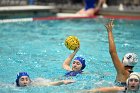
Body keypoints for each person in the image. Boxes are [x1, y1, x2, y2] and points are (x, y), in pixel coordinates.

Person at [105, 19, 138, 87]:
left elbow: (112, 52)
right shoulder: (134, 75)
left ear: (124, 61)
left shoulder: (122, 70)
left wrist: (110, 32)